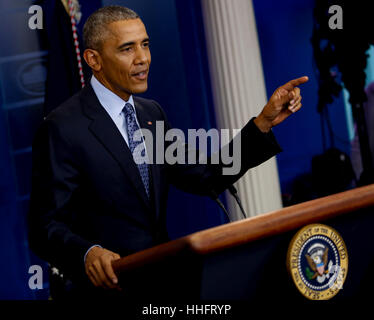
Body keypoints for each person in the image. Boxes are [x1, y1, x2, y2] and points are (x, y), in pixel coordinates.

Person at [28, 5, 308, 299]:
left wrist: (262, 124)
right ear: (93, 59)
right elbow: (43, 226)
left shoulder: (151, 114)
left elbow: (206, 176)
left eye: (145, 44)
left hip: (164, 285)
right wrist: (87, 253)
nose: (143, 59)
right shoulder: (62, 126)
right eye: (127, 49)